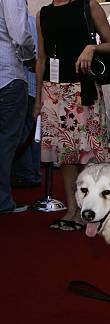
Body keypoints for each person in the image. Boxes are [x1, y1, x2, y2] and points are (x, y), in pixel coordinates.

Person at [35, 0, 110, 230]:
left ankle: (90, 209)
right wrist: (38, 98)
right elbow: (41, 58)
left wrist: (91, 47)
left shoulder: (88, 5)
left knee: (89, 152)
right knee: (66, 154)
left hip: (83, 88)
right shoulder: (43, 14)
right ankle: (72, 209)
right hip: (53, 90)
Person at [0, 0, 35, 214]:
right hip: (7, 75)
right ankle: (2, 201)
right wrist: (29, 57)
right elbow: (20, 34)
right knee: (5, 143)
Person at [11, 12, 40, 189]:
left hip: (22, 82)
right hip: (31, 84)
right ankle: (31, 173)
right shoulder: (31, 19)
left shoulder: (21, 20)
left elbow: (25, 48)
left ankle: (26, 173)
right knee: (29, 132)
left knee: (21, 132)